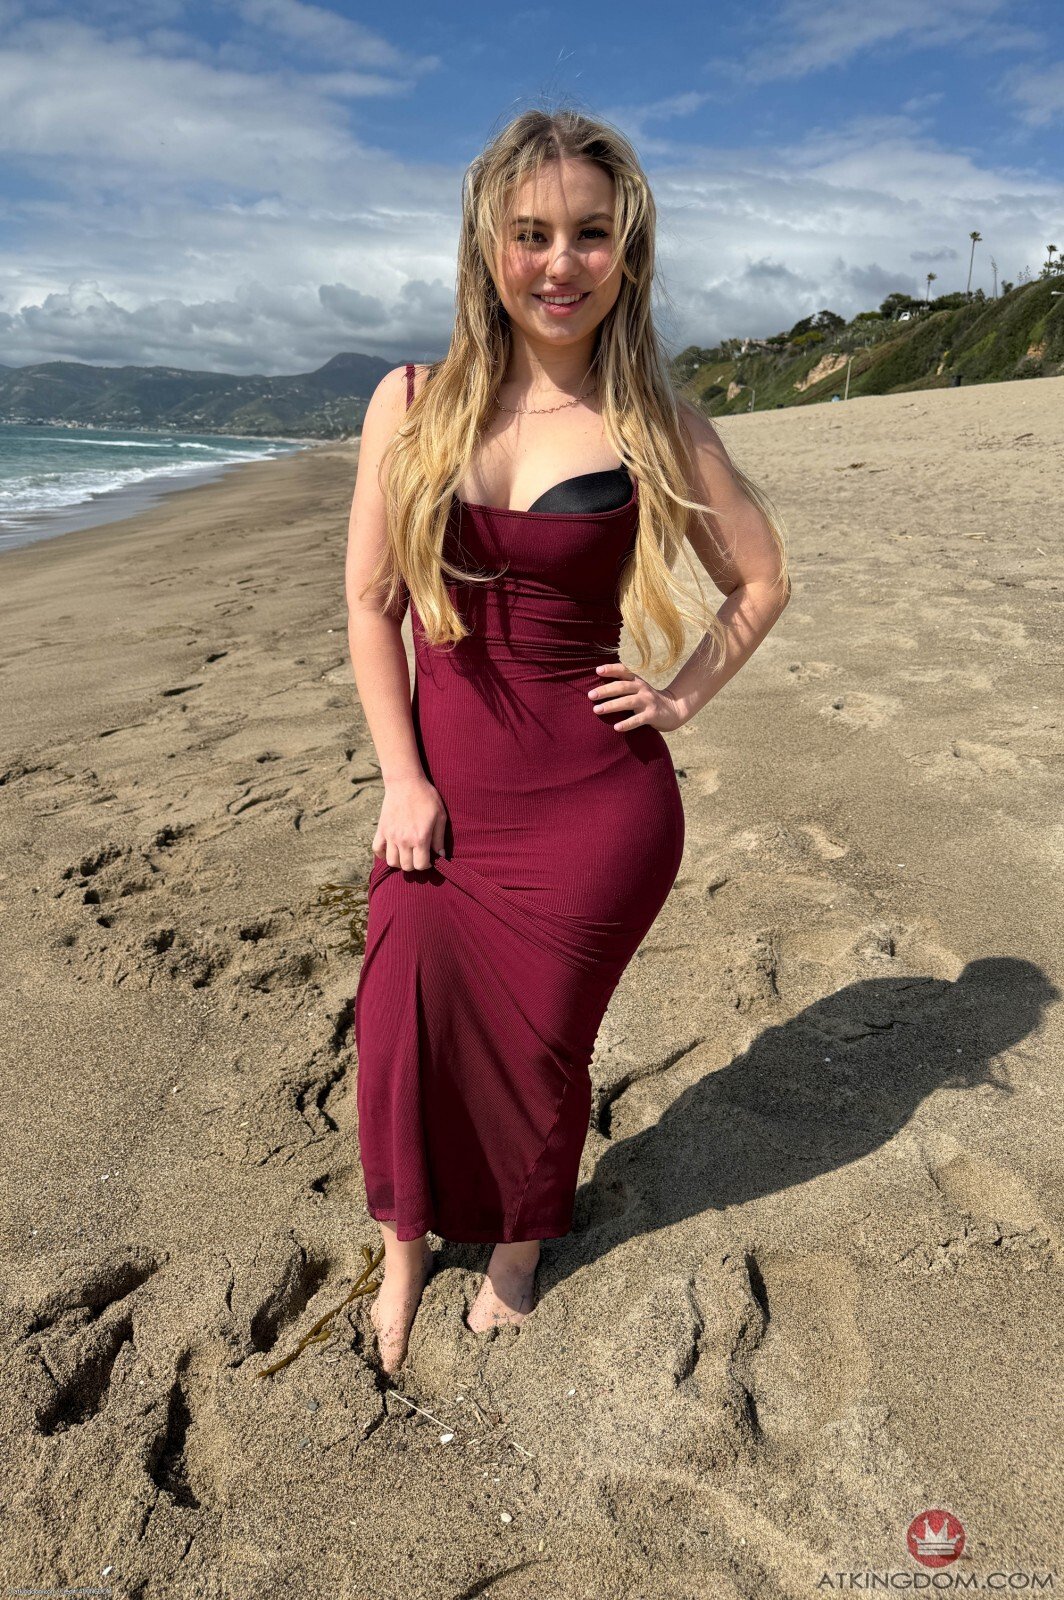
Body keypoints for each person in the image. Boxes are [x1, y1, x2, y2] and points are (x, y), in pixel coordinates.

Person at [345, 107, 790, 1375]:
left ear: (624, 251)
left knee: (543, 1047)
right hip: (445, 794)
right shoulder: (410, 402)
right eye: (531, 233)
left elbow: (758, 579)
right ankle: (402, 1248)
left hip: (598, 807)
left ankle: (519, 1245)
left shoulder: (649, 419)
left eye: (589, 234)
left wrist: (679, 699)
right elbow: (370, 606)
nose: (559, 262)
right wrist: (401, 777)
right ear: (486, 245)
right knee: (404, 1009)